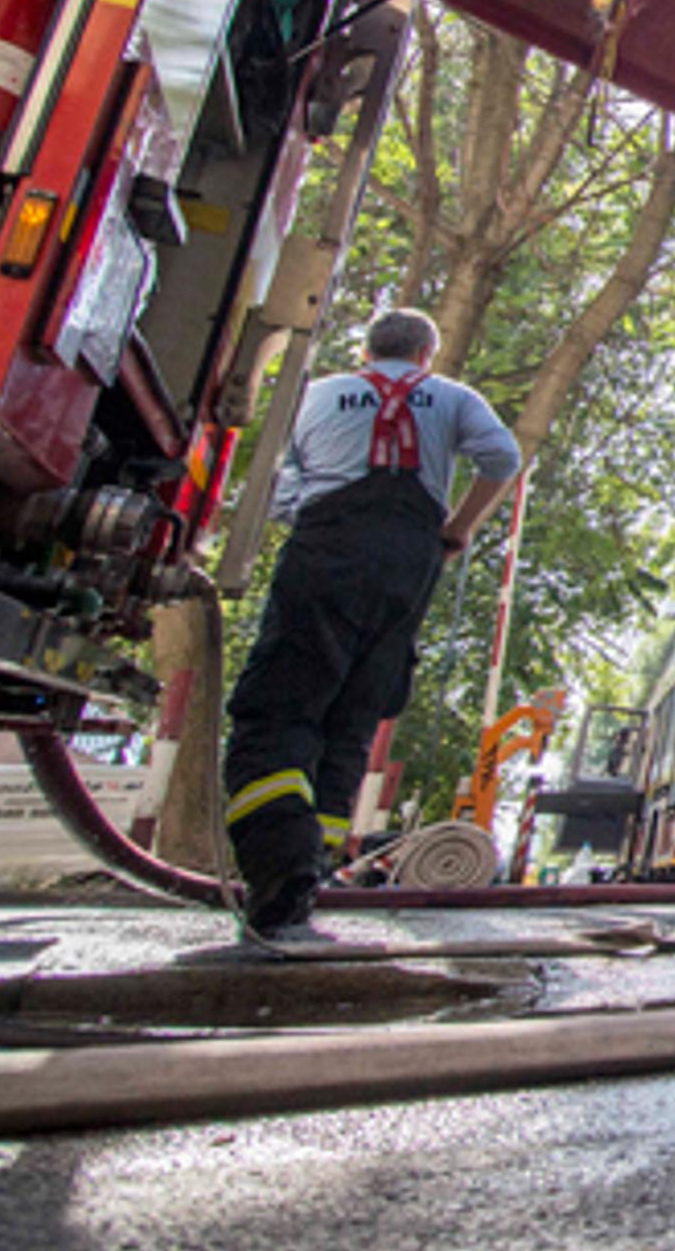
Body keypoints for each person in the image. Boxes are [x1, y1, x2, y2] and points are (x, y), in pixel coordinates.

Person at [222, 309, 522, 934]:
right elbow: (502, 458)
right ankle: (318, 859)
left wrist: (310, 522)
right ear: (426, 355)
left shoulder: (317, 395)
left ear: (366, 350)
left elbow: (278, 487)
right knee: (357, 709)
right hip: (408, 560)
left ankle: (280, 864)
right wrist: (458, 529)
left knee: (279, 706)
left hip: (324, 549)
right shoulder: (452, 398)